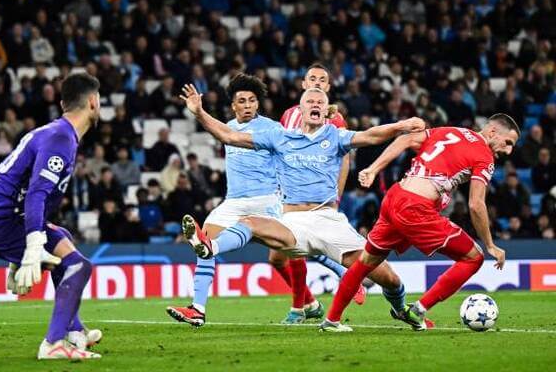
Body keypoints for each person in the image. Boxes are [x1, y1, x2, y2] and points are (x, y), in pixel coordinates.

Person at [178, 83, 429, 332]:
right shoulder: (280, 137)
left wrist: (400, 126)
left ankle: (399, 309)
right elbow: (230, 136)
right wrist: (199, 112)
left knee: (390, 279)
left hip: (329, 222)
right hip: (294, 222)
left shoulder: (335, 136)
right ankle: (213, 246)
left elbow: (371, 135)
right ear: (301, 108)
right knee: (250, 223)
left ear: (326, 109)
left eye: (320, 102)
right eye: (310, 101)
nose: (315, 105)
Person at [323, 114, 519, 331]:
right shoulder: (484, 155)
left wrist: (374, 168)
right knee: (474, 257)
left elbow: (405, 139)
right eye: (507, 143)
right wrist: (490, 244)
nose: (508, 151)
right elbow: (476, 204)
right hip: (416, 209)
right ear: (492, 131)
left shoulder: (450, 131)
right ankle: (418, 310)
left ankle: (331, 320)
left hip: (394, 197)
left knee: (365, 262)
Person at [0, 73, 103, 359]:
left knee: (64, 239)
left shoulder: (57, 132)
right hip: (1, 222)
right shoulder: (60, 138)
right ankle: (53, 344)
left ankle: (74, 331)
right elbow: (36, 194)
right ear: (93, 102)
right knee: (78, 266)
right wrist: (31, 246)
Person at [166, 74, 283, 327]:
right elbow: (220, 131)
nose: (249, 105)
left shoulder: (273, 128)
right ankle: (197, 309)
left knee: (303, 246)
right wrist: (199, 112)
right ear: (233, 106)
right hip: (234, 202)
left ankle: (345, 273)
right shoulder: (228, 126)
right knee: (203, 241)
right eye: (243, 101)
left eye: (253, 100)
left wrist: (199, 113)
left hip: (267, 200)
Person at [275, 63, 366, 324]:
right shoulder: (288, 115)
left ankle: (299, 308)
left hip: (320, 197)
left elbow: (344, 161)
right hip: (288, 192)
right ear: (303, 84)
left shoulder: (334, 120)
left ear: (328, 87)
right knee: (282, 253)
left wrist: (335, 198)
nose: (316, 82)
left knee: (293, 249)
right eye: (311, 78)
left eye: (322, 80)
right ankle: (327, 285)